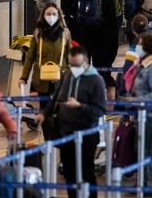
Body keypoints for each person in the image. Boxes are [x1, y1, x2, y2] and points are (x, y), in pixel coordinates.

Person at [36, 45, 106, 198]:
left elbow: (100, 110)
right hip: (66, 132)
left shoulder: (96, 81)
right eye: (71, 64)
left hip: (87, 134)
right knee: (69, 171)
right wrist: (44, 114)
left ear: (86, 61)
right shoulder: (68, 74)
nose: (73, 68)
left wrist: (80, 106)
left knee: (86, 172)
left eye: (77, 64)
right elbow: (56, 97)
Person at [20, 2, 72, 106]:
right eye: (48, 14)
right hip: (42, 79)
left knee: (59, 111)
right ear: (43, 16)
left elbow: (70, 56)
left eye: (54, 14)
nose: (51, 17)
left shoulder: (65, 33)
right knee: (44, 110)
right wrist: (23, 78)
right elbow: (30, 57)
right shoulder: (38, 33)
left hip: (60, 78)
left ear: (59, 16)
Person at [78, 0, 118, 88]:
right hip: (102, 28)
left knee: (85, 55)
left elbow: (75, 6)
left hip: (85, 28)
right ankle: (102, 82)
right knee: (101, 57)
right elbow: (110, 10)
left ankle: (84, 82)